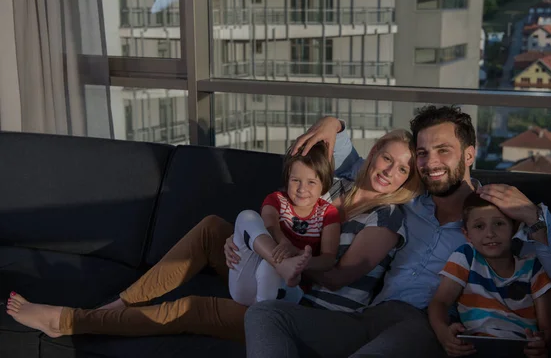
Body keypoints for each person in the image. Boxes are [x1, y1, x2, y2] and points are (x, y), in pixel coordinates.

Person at [5, 129, 422, 343]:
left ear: (408, 180)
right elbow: (279, 209)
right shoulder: (336, 188)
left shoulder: (387, 218)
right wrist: (247, 244)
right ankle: (121, 302)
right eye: (388, 157)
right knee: (213, 229)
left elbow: (335, 275)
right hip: (272, 273)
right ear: (375, 151)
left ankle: (69, 322)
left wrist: (276, 256)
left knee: (191, 308)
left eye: (403, 169)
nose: (390, 170)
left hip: (308, 312)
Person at [244, 105, 551, 358]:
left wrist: (534, 218)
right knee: (265, 315)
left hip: (426, 326)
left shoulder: (494, 217)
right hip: (368, 316)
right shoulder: (409, 199)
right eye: (423, 153)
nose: (430, 162)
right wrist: (334, 122)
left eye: (443, 151)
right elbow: (359, 166)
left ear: (469, 155)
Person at [429, 192, 551, 358]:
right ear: (467, 235)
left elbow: (548, 327)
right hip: (474, 348)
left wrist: (541, 343)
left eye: (498, 224)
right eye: (479, 226)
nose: (490, 233)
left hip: (519, 350)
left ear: (514, 229)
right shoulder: (466, 257)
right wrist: (443, 333)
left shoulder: (533, 267)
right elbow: (440, 302)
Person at [228, 141, 341, 306]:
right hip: (248, 282)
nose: (302, 189)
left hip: (288, 290)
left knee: (270, 266)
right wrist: (284, 242)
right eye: (296, 180)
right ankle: (281, 266)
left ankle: (262, 314)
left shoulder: (327, 213)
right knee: (247, 217)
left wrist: (300, 259)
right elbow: (270, 224)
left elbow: (328, 259)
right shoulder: (276, 200)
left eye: (311, 182)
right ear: (288, 179)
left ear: (323, 184)